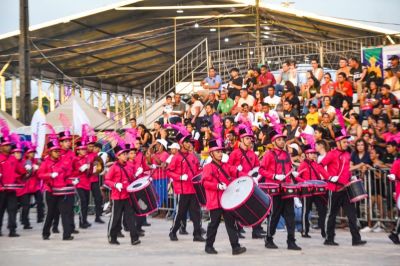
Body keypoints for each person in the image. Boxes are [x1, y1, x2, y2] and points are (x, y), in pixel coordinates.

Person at [318, 131, 367, 246]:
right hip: (333, 189)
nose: (347, 144)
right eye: (344, 142)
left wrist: (351, 176)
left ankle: (356, 239)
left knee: (352, 214)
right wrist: (329, 177)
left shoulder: (347, 154)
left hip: (345, 190)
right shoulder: (331, 154)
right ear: (338, 142)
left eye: (347, 142)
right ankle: (329, 239)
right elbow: (319, 166)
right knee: (331, 214)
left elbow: (346, 170)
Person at [259, 129, 302, 250]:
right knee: (274, 215)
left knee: (290, 215)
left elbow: (289, 169)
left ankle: (291, 241)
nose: (282, 142)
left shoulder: (287, 155)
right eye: (279, 140)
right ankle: (268, 239)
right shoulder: (268, 154)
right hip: (274, 189)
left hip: (287, 189)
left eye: (283, 139)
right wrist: (274, 176)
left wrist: (294, 174)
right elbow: (261, 170)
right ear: (273, 142)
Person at [203, 139, 247, 255]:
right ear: (212, 154)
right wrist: (217, 185)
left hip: (226, 200)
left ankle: (235, 247)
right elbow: (205, 183)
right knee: (214, 224)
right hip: (215, 201)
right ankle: (209, 246)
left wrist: (249, 178)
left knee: (231, 224)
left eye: (221, 151)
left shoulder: (226, 166)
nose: (220, 154)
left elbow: (236, 173)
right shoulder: (208, 167)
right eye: (217, 152)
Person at [167, 131, 205, 242]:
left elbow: (197, 169)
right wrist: (179, 177)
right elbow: (169, 172)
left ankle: (197, 234)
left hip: (193, 189)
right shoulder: (176, 157)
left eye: (189, 142)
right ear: (181, 143)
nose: (189, 144)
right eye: (186, 142)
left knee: (196, 213)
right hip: (182, 190)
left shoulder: (192, 156)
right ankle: (173, 232)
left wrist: (203, 169)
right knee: (180, 213)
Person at [228, 126, 265, 239]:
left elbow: (258, 168)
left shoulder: (252, 154)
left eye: (250, 138)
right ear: (241, 139)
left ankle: (256, 230)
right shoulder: (234, 153)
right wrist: (236, 169)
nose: (250, 140)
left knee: (255, 206)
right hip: (238, 183)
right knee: (238, 207)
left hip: (250, 183)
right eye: (247, 138)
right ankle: (237, 229)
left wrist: (256, 178)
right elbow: (228, 167)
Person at [38, 140, 75, 240]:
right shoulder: (45, 162)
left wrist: (72, 181)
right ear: (50, 152)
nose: (58, 152)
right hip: (50, 191)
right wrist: (49, 175)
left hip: (62, 191)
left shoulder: (63, 162)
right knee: (50, 213)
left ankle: (67, 235)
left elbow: (68, 175)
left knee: (65, 213)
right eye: (55, 151)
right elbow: (40, 175)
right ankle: (45, 233)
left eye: (59, 151)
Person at [104, 144, 141, 246]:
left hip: (127, 196)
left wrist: (136, 175)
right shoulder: (114, 167)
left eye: (126, 154)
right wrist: (115, 184)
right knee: (116, 218)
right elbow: (106, 180)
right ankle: (112, 237)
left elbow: (132, 180)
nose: (126, 155)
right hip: (117, 197)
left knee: (130, 218)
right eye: (123, 154)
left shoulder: (129, 166)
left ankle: (134, 238)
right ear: (118, 156)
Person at [294, 144, 327, 238]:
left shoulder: (316, 164)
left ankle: (324, 231)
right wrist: (305, 182)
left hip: (317, 191)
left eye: (314, 153)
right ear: (307, 155)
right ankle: (304, 231)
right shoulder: (303, 165)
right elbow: (297, 177)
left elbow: (324, 174)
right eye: (312, 153)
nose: (314, 155)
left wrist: (329, 179)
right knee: (306, 211)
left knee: (322, 210)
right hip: (306, 190)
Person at [72, 141, 92, 229]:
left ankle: (84, 220)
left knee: (86, 202)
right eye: (82, 149)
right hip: (78, 183)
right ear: (77, 151)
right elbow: (71, 172)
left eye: (85, 149)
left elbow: (89, 173)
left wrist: (92, 169)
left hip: (86, 183)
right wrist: (80, 170)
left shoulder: (87, 159)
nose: (84, 151)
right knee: (82, 201)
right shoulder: (75, 159)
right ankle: (82, 221)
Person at [387, 158, 400, 244]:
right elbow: (392, 177)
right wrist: (394, 191)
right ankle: (395, 233)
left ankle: (395, 233)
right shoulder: (397, 162)